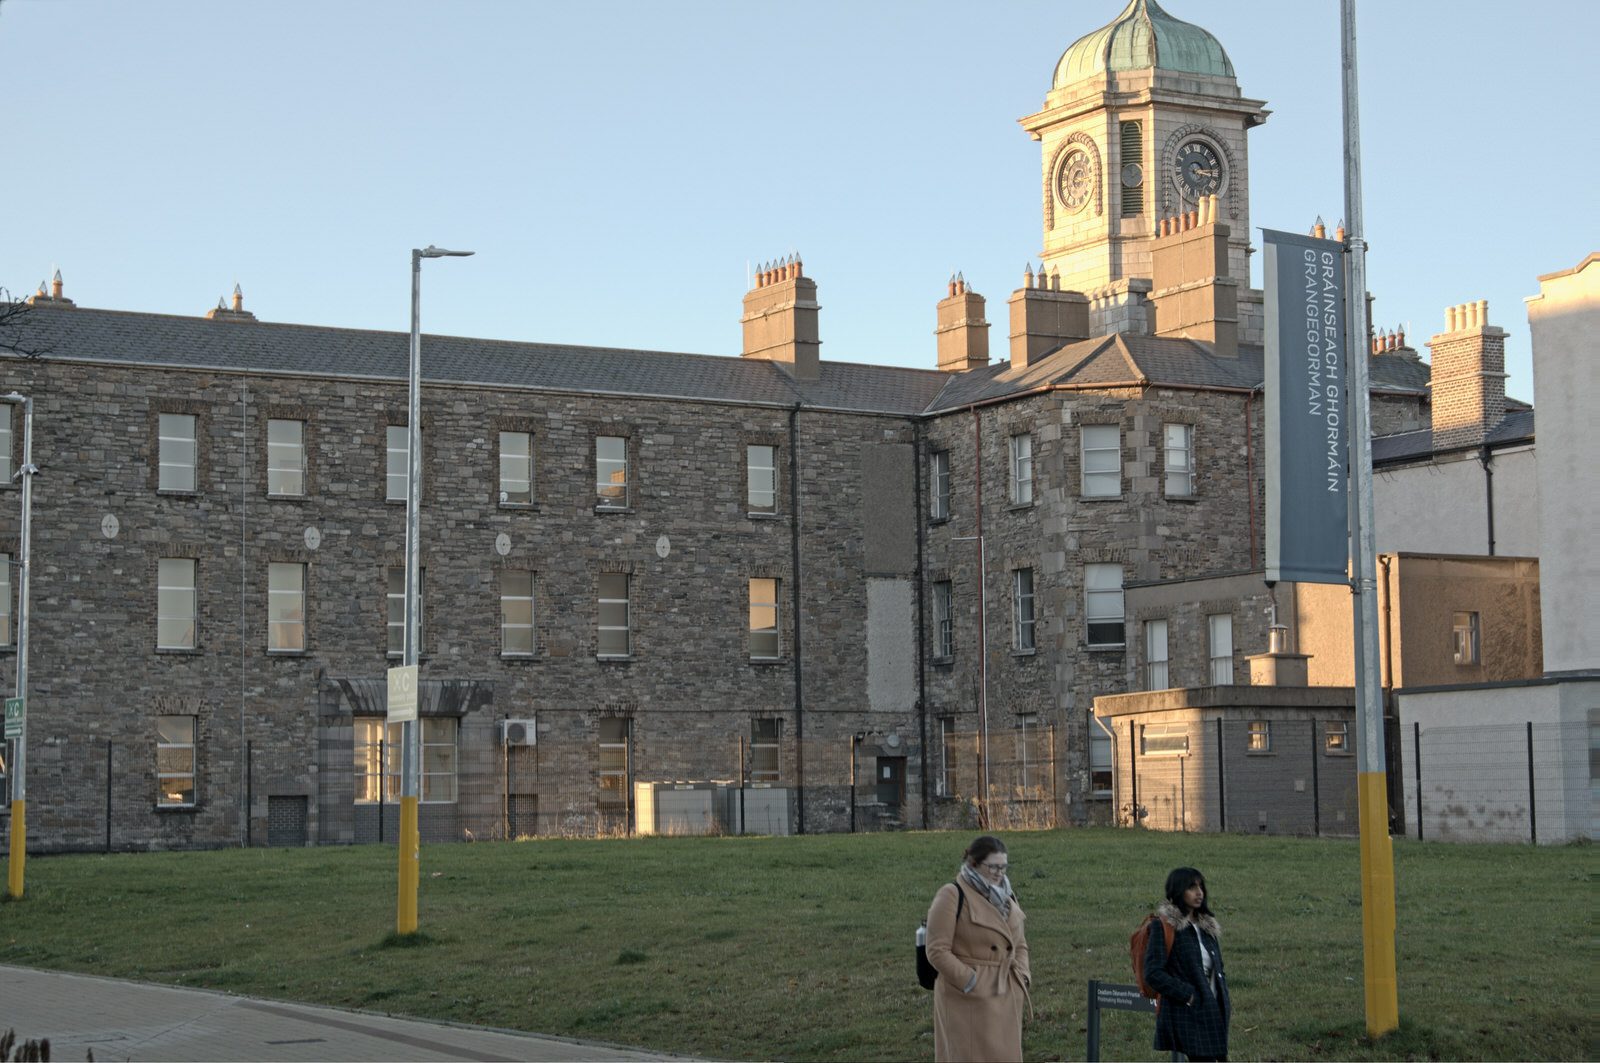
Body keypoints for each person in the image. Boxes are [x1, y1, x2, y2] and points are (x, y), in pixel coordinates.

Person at [924, 835, 1031, 1062]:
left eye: (1003, 867)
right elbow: (936, 950)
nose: (999, 873)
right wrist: (970, 981)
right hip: (967, 1000)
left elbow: (1019, 943)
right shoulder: (952, 894)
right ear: (973, 864)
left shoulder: (1008, 896)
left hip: (1005, 993)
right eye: (992, 867)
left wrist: (1022, 976)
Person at [1144, 866, 1230, 1062]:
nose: (1199, 892)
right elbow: (1153, 973)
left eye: (1201, 887)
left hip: (1214, 1008)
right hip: (1189, 1012)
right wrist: (1188, 994)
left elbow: (1218, 969)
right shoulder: (1163, 926)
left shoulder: (1207, 927)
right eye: (1192, 887)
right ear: (1178, 890)